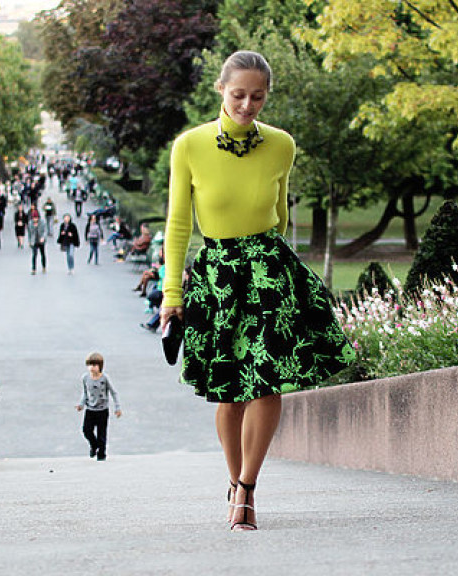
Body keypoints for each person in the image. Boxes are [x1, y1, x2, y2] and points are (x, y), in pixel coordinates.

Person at [161, 51, 355, 531]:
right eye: (239, 94)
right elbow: (178, 225)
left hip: (269, 270)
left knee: (267, 383)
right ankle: (234, 481)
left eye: (258, 96)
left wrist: (282, 270)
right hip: (219, 276)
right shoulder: (189, 146)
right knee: (229, 393)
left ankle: (247, 488)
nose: (248, 104)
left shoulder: (282, 145)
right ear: (221, 90)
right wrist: (171, 293)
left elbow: (282, 215)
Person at [75, 352, 122, 461]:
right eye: (90, 365)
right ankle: (94, 445)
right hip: (90, 409)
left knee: (101, 433)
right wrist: (81, 404)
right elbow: (85, 392)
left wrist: (117, 408)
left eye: (95, 365)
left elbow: (113, 392)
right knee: (86, 430)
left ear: (100, 366)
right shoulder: (85, 378)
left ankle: (102, 453)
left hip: (102, 410)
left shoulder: (104, 378)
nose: (92, 368)